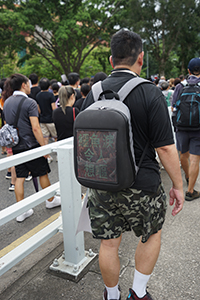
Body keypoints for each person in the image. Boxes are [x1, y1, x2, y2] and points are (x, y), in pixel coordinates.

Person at [81, 29, 184, 300]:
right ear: (140, 58)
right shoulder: (151, 93)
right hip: (143, 184)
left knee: (108, 242)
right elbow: (164, 147)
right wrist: (178, 185)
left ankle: (111, 295)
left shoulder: (92, 93)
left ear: (111, 59)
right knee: (150, 234)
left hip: (102, 183)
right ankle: (138, 293)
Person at [3, 73, 61, 222]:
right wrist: (44, 147)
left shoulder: (7, 102)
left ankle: (21, 210)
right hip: (32, 145)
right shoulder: (30, 103)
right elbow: (35, 128)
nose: (29, 87)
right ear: (23, 85)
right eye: (28, 84)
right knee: (42, 173)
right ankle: (50, 200)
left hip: (16, 145)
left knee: (20, 177)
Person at [172, 57, 200, 201]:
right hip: (198, 129)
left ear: (188, 71)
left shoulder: (180, 86)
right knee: (195, 158)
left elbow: (173, 106)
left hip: (181, 127)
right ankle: (190, 191)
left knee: (184, 154)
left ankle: (188, 177)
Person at [36, 77, 57, 163]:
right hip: (51, 120)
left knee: (45, 138)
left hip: (42, 120)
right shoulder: (50, 95)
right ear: (49, 86)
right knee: (56, 137)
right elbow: (53, 108)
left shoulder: (38, 96)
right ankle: (58, 155)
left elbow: (39, 110)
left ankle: (47, 156)